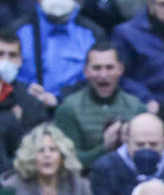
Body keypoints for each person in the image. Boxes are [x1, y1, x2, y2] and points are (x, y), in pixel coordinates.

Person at [52, 42, 147, 171]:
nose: (103, 75)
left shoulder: (136, 108)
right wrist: (104, 148)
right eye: (97, 68)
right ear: (86, 71)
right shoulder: (69, 109)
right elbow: (69, 161)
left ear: (120, 70)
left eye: (109, 67)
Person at [15, 0, 103, 96]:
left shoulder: (92, 33)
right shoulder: (18, 31)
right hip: (26, 104)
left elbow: (100, 77)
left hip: (74, 105)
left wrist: (60, 97)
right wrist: (24, 93)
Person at [0, 29, 59, 160]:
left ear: (20, 60)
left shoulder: (32, 103)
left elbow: (35, 150)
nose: (5, 60)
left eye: (12, 55)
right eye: (1, 54)